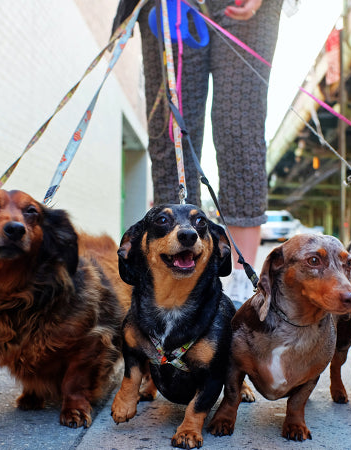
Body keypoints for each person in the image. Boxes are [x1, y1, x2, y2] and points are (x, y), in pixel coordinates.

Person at [113, 0, 285, 305]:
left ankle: (240, 282)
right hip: (170, 6)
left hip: (244, 9)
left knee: (239, 128)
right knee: (171, 133)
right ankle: (174, 280)